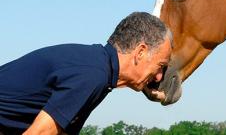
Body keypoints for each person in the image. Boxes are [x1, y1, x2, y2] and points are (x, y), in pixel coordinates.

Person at [0, 12, 172, 135]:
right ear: (140, 52)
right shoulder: (93, 76)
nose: (159, 76)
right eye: (160, 66)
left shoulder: (99, 69)